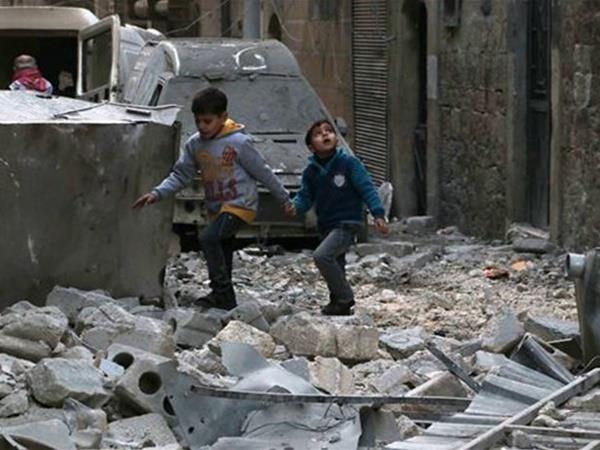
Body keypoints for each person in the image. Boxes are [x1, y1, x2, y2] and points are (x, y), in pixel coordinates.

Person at [133, 87, 292, 310]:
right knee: (223, 248)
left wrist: (284, 198)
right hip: (217, 208)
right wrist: (157, 193)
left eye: (207, 121)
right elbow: (181, 175)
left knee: (209, 238)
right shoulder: (195, 145)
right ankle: (226, 300)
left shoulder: (239, 143)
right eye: (198, 121)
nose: (202, 126)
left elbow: (263, 172)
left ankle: (222, 293)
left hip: (240, 205)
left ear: (223, 117)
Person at [286, 119, 389, 316]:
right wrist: (295, 207)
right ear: (311, 147)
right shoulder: (311, 172)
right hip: (326, 224)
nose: (325, 134)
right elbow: (305, 197)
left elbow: (367, 188)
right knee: (336, 263)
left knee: (322, 256)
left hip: (348, 222)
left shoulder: (349, 163)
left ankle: (345, 297)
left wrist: (378, 214)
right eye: (318, 134)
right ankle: (338, 305)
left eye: (329, 131)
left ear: (336, 139)